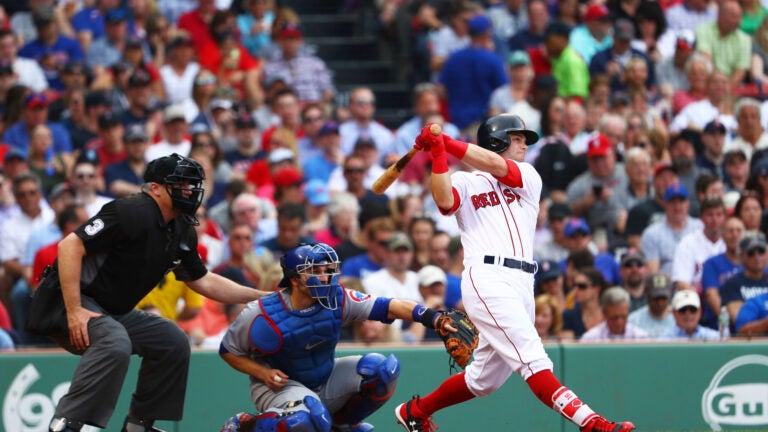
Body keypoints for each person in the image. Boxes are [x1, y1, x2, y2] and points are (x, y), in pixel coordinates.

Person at [394, 116, 634, 432]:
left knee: (484, 380)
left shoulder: (529, 176)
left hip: (522, 282)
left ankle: (415, 411)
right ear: (496, 139)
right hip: (487, 276)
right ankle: (593, 424)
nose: (524, 143)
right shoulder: (466, 181)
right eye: (518, 137)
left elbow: (497, 165)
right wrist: (439, 153)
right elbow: (443, 201)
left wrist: (447, 142)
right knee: (533, 359)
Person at [39, 154, 270, 432]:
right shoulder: (131, 211)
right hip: (65, 303)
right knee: (115, 341)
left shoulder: (182, 227)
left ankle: (139, 426)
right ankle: (67, 424)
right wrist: (74, 309)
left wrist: (259, 296)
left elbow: (203, 280)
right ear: (156, 188)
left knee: (171, 340)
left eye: (191, 185)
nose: (189, 191)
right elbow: (69, 247)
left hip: (111, 310)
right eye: (181, 184)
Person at [218, 242, 456, 432]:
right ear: (294, 280)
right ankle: (243, 426)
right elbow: (228, 351)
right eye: (314, 272)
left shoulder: (338, 298)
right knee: (304, 421)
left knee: (382, 370)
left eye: (326, 270)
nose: (324, 277)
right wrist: (262, 372)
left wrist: (433, 318)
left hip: (324, 376)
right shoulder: (262, 313)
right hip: (280, 384)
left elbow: (389, 306)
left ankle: (341, 426)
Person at [579, 287, 649, 342]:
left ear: (628, 311)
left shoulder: (641, 338)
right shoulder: (590, 339)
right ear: (604, 313)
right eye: (614, 317)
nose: (619, 322)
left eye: (623, 316)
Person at [627, 273, 676, 339]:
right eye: (656, 298)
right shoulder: (634, 320)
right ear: (647, 294)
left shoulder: (679, 318)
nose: (660, 303)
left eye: (663, 298)